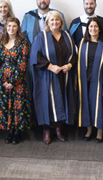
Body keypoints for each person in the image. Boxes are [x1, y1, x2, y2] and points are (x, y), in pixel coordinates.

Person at [30, 10, 77, 145]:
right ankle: (46, 130)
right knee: (48, 102)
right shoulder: (41, 36)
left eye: (57, 20)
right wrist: (50, 66)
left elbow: (75, 53)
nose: (55, 22)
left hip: (63, 76)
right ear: (47, 22)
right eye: (52, 20)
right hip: (47, 76)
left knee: (61, 100)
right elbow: (35, 56)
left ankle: (58, 129)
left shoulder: (67, 36)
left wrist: (69, 65)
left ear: (61, 22)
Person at [78, 18, 103, 143]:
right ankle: (89, 129)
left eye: (95, 26)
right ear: (87, 28)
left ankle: (100, 131)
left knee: (99, 105)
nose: (93, 29)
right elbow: (78, 64)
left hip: (100, 80)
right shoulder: (83, 43)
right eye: (90, 26)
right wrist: (76, 81)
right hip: (85, 80)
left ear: (99, 28)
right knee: (86, 105)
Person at [0, 17, 31, 145]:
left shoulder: (23, 42)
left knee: (17, 107)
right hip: (2, 81)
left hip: (17, 81)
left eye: (14, 26)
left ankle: (17, 132)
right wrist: (2, 80)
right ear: (5, 28)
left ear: (18, 28)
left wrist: (13, 82)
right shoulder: (0, 41)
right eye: (9, 26)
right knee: (5, 107)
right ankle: (9, 130)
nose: (11, 29)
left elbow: (22, 64)